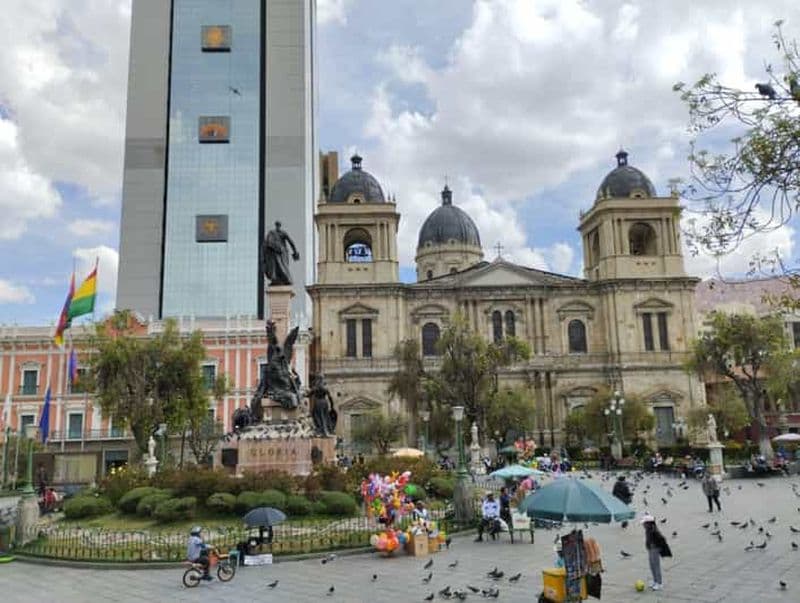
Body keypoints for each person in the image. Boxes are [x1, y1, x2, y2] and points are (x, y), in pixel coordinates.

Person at [641, 514, 671, 591]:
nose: (643, 525)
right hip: (650, 549)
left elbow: (662, 540)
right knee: (652, 566)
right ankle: (655, 581)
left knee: (656, 566)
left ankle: (659, 583)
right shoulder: (648, 530)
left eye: (644, 523)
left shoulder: (654, 531)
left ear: (649, 523)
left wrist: (659, 548)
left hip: (654, 549)